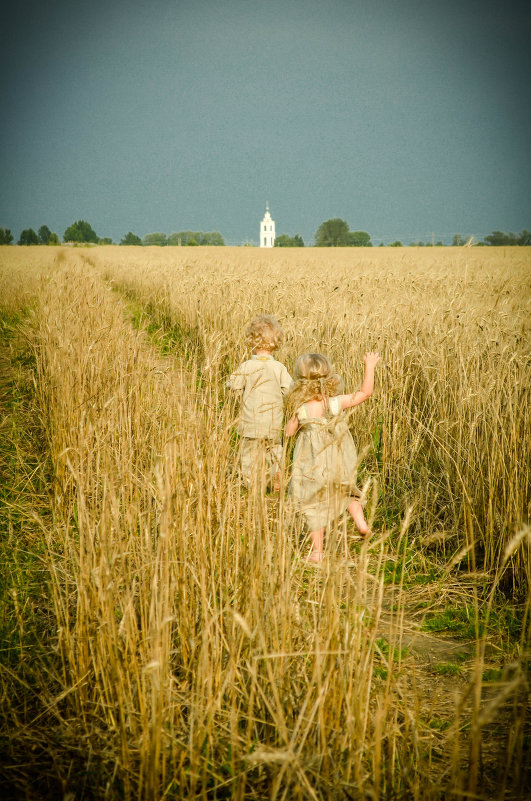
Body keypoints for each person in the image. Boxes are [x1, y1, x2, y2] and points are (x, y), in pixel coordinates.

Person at [285, 351, 380, 562]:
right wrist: (370, 366)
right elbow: (365, 393)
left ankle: (317, 552)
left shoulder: (301, 409)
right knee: (345, 491)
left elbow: (288, 433)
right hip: (338, 460)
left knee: (313, 505)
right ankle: (361, 523)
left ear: (300, 380)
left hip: (312, 465)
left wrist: (292, 416)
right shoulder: (335, 403)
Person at [228, 315, 292, 490]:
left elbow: (233, 386)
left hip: (250, 424)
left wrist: (238, 394)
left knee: (249, 456)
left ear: (251, 341)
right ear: (275, 343)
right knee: (274, 451)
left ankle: (251, 485)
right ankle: (277, 473)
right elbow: (288, 390)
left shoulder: (247, 366)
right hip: (273, 423)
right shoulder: (279, 367)